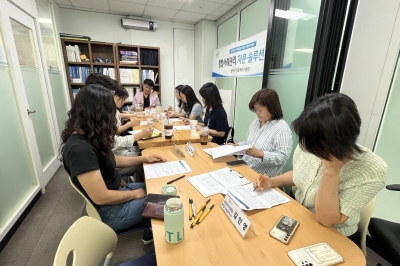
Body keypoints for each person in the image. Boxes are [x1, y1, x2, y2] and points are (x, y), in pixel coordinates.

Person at [254, 93, 387, 243]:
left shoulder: (372, 169)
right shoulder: (311, 144)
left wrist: (331, 171)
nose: (309, 149)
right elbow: (300, 175)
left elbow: (326, 220)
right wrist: (271, 182)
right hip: (299, 217)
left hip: (334, 235)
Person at [61, 84, 167, 243]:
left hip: (120, 192)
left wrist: (143, 159)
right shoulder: (79, 149)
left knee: (162, 189)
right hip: (111, 210)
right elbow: (101, 197)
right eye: (109, 114)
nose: (112, 118)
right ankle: (157, 253)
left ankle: (151, 233)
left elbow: (113, 160)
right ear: (98, 114)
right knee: (170, 204)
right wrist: (135, 194)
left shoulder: (89, 135)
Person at [85, 74, 153, 179]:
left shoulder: (95, 116)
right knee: (145, 161)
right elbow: (114, 144)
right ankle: (139, 186)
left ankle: (136, 184)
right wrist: (140, 133)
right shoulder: (97, 120)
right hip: (111, 162)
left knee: (144, 153)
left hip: (112, 158)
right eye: (111, 94)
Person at [230, 89, 292, 177]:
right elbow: (249, 143)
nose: (257, 113)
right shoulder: (256, 122)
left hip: (260, 177)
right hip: (244, 167)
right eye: (255, 110)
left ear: (272, 107)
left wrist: (261, 154)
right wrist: (238, 146)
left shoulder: (282, 128)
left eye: (260, 109)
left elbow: (282, 157)